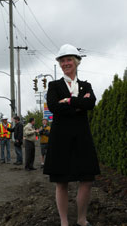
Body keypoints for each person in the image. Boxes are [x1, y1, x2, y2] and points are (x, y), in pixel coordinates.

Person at [43, 44, 100, 226]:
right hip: (61, 139)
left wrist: (67, 101)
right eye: (62, 60)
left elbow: (90, 104)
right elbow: (54, 107)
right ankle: (64, 222)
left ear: (76, 62)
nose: (66, 63)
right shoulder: (54, 85)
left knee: (87, 179)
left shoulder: (86, 85)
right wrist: (78, 105)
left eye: (69, 60)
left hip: (82, 138)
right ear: (60, 64)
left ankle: (82, 219)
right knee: (62, 182)